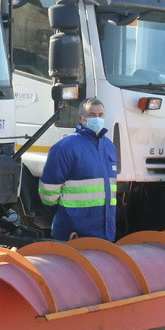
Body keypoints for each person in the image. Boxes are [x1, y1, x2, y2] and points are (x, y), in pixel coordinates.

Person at [38, 98, 118, 241]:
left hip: (104, 232)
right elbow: (49, 190)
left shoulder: (109, 145)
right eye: (92, 115)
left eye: (101, 115)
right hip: (72, 232)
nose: (97, 119)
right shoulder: (65, 147)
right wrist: (62, 213)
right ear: (80, 118)